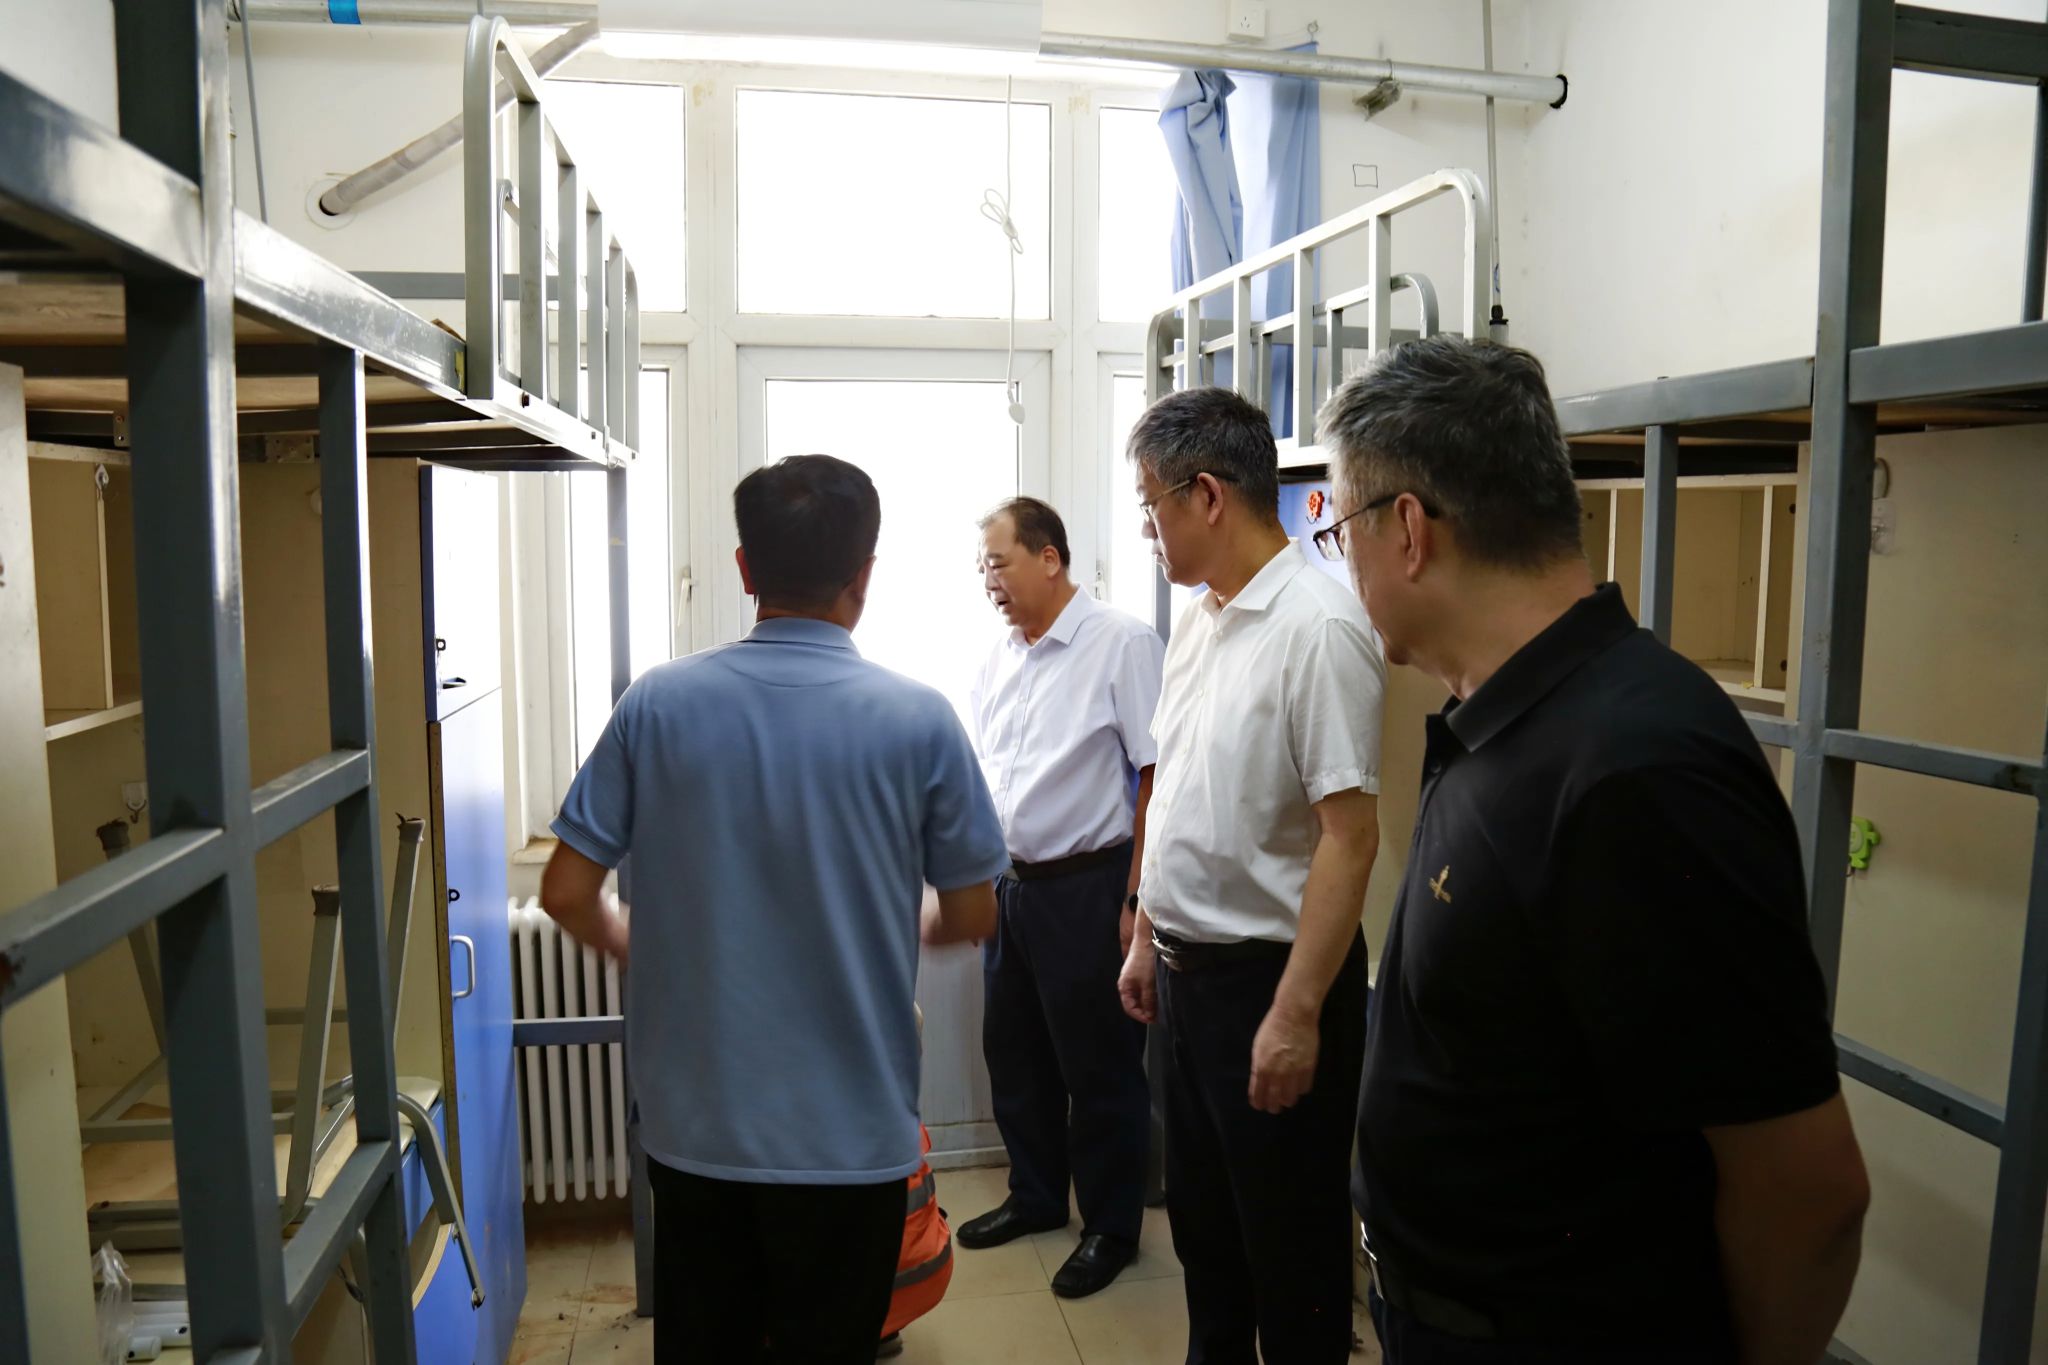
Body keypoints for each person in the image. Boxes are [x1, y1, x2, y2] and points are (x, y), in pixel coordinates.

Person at [1322, 335, 1869, 1364]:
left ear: (1407, 530)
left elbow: (1808, 1190)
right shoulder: (1502, 717)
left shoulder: (1634, 770)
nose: (1340, 562)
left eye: (1338, 528)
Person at [538, 454, 1009, 1365]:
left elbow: (564, 891)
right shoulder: (919, 719)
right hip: (851, 1139)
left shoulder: (658, 703)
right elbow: (975, 913)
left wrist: (633, 941)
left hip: (695, 1130)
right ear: (864, 574)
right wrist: (907, 925)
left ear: (746, 568)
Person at [1117, 387, 1386, 1364]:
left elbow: (1349, 837)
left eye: (1150, 505)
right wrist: (1147, 935)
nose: (1145, 528)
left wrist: (1296, 1013)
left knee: (1290, 1252)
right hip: (1188, 980)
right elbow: (1176, 789)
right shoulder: (1200, 619)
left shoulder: (1318, 628)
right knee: (1205, 1233)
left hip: (1271, 984)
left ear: (1206, 495)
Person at [955, 497, 1165, 1299]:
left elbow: (1156, 777)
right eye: (982, 568)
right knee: (1015, 1052)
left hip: (1089, 885)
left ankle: (1110, 1225)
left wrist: (1136, 898)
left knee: (1099, 1064)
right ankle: (1037, 1194)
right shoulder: (997, 658)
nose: (988, 582)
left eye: (998, 563)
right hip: (1011, 887)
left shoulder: (1122, 644)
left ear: (1050, 558)